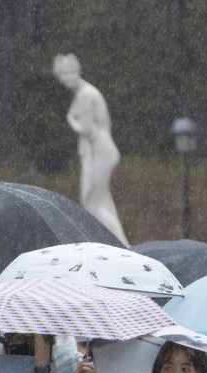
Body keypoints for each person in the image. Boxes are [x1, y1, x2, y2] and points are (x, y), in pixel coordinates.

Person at [53, 53, 129, 247]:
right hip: (98, 148)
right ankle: (119, 244)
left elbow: (87, 129)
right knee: (100, 202)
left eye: (70, 72)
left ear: (77, 70)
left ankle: (122, 245)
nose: (67, 77)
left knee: (92, 204)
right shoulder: (84, 93)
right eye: (63, 74)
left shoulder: (86, 94)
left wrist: (70, 119)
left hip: (99, 150)